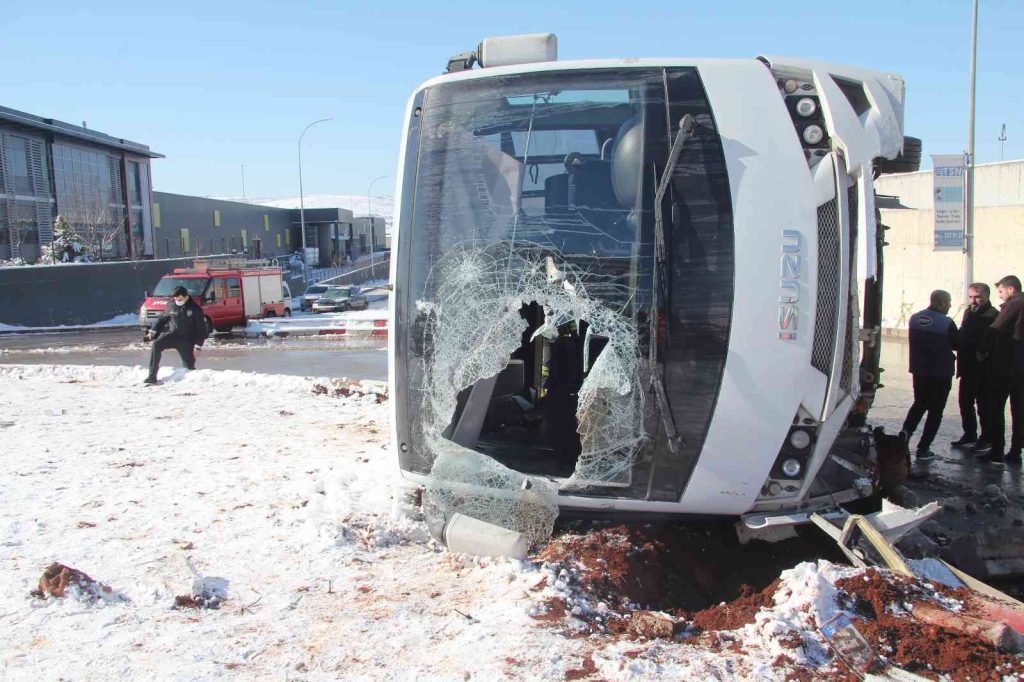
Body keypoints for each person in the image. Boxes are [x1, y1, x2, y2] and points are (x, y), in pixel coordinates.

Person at [900, 290, 958, 460]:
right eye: (948, 302)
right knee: (936, 411)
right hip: (941, 373)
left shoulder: (915, 318)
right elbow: (957, 344)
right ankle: (923, 448)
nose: (950, 305)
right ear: (942, 303)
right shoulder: (946, 323)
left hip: (919, 371)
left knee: (919, 404)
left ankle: (905, 434)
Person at [975, 275, 1024, 464]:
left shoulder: (1015, 303)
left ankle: (997, 450)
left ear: (1011, 289)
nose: (1000, 296)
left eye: (1001, 291)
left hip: (1005, 366)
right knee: (1019, 411)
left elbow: (995, 328)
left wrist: (982, 350)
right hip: (1020, 367)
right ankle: (1016, 451)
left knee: (995, 408)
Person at [951, 283, 998, 448]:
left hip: (983, 368)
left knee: (984, 406)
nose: (973, 300)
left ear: (987, 296)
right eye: (971, 297)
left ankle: (986, 438)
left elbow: (993, 340)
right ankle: (970, 434)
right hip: (966, 366)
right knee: (965, 402)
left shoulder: (993, 315)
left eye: (977, 297)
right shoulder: (968, 312)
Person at [144, 285, 209, 385]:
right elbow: (161, 319)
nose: (178, 301)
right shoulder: (171, 305)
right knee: (156, 345)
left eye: (180, 299)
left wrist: (198, 346)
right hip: (172, 336)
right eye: (176, 299)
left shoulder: (195, 309)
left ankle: (192, 383)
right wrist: (152, 331)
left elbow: (201, 330)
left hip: (186, 341)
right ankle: (152, 376)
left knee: (189, 367)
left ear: (186, 296)